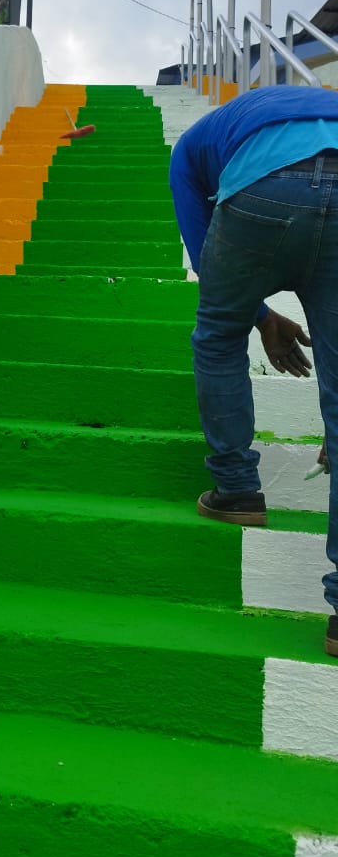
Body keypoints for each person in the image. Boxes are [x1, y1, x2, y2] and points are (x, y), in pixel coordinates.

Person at [169, 83, 338, 655]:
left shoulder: (192, 147)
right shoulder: (325, 107)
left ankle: (238, 490)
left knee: (218, 336)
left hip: (261, 190)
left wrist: (256, 317)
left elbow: (206, 261)